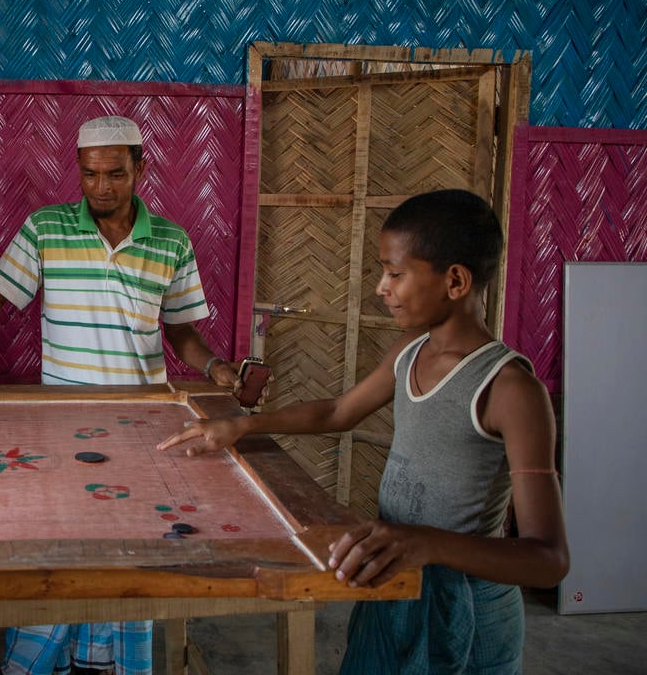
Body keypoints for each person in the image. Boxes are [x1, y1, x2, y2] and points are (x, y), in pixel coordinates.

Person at [0, 116, 249, 675]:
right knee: (60, 546)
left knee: (132, 548)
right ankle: (40, 664)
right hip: (61, 421)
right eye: (89, 174)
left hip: (144, 426)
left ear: (140, 169)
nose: (101, 186)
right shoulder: (45, 230)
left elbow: (178, 331)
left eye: (115, 174)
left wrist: (217, 367)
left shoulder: (171, 240)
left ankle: (108, 663)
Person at [159, 189, 570, 674]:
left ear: (455, 280)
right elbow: (337, 412)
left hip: (464, 605)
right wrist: (241, 425)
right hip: (393, 572)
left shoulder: (509, 388)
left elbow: (548, 559)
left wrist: (426, 542)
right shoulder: (410, 352)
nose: (381, 287)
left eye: (395, 273)